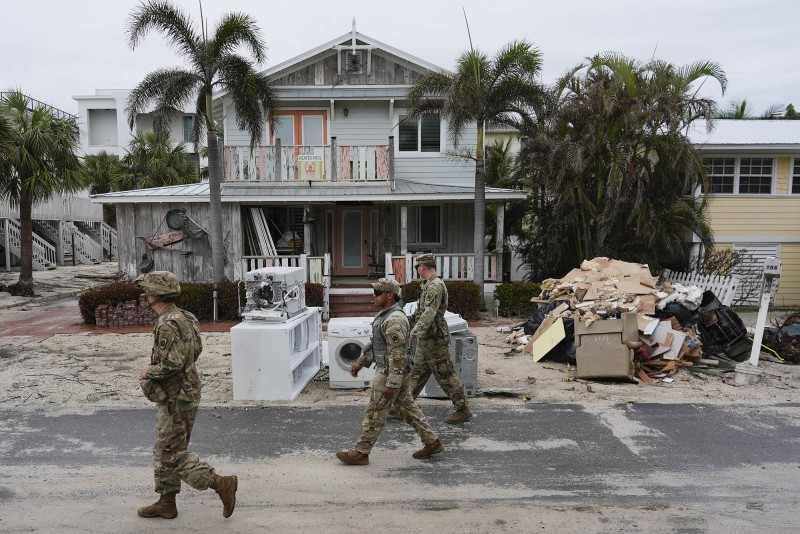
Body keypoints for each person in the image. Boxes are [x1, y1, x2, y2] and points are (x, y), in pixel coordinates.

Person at [135, 271, 238, 520]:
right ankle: (166, 502)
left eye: (147, 290)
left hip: (175, 397)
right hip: (184, 392)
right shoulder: (185, 317)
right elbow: (195, 351)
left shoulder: (169, 322)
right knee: (166, 450)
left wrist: (149, 371)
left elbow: (173, 364)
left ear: (157, 294)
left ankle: (220, 483)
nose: (144, 294)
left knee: (172, 454)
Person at [336, 277, 444, 465]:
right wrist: (361, 361)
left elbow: (398, 354)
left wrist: (392, 383)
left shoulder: (394, 319)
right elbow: (378, 344)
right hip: (394, 372)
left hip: (389, 373)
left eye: (378, 293)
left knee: (375, 413)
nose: (374, 296)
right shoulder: (386, 315)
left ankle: (361, 452)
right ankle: (432, 441)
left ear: (389, 295)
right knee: (407, 408)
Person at [409, 253, 473, 424]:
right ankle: (404, 404)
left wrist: (414, 332)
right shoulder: (428, 285)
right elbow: (420, 311)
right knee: (417, 372)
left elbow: (429, 313)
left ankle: (463, 409)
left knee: (445, 374)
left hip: (435, 338)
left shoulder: (434, 286)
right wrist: (409, 323)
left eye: (417, 267)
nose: (417, 270)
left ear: (423, 267)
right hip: (427, 337)